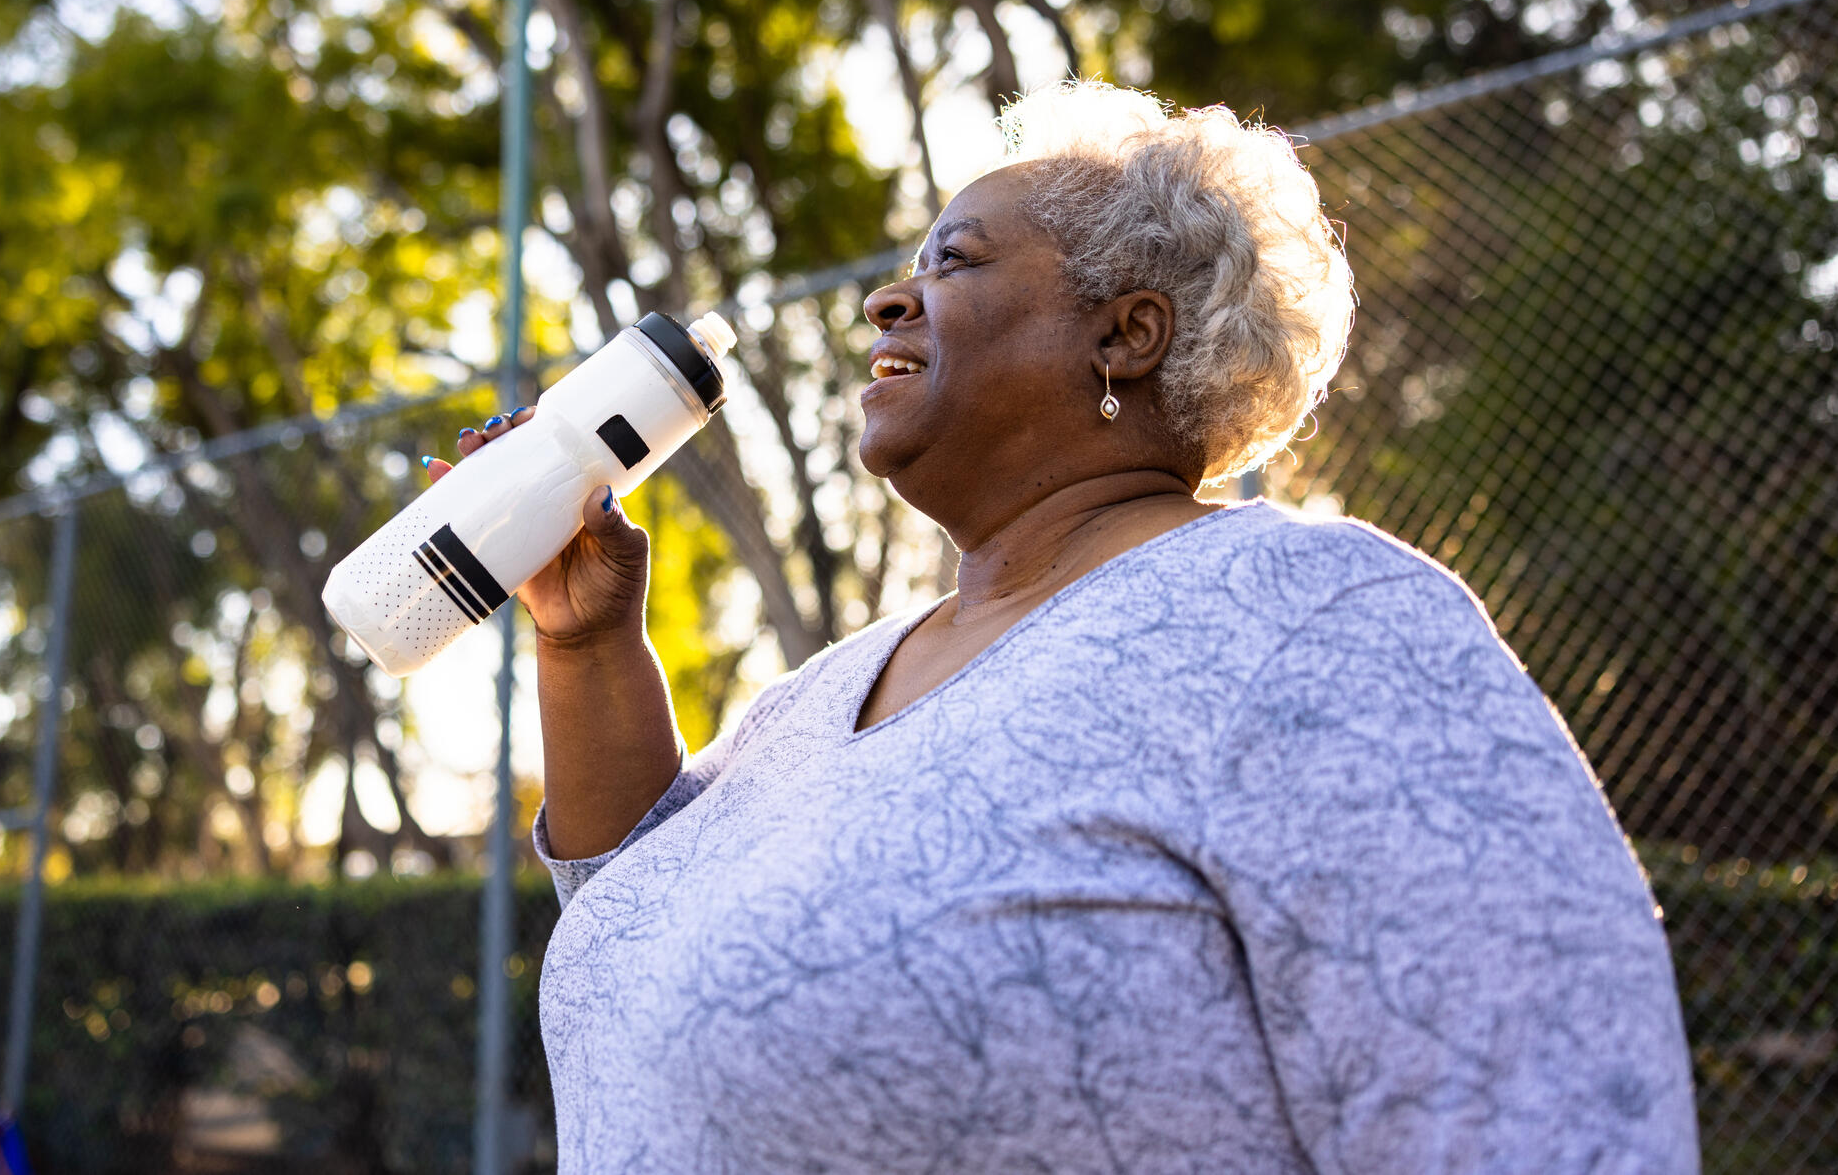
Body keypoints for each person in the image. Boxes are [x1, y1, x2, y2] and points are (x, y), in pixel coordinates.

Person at [434, 81, 1699, 1173]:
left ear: (1125, 331)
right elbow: (630, 906)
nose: (887, 298)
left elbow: (1552, 1114)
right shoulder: (818, 693)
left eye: (955, 261)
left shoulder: (1310, 622)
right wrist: (586, 644)